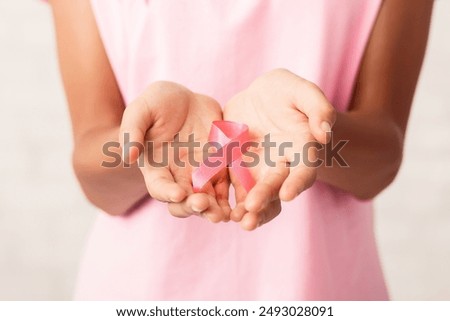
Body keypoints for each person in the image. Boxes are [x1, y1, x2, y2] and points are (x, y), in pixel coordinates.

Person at [47, 0, 434, 300]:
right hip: (140, 290)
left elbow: (382, 160)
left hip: (322, 287)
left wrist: (313, 136)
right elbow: (93, 174)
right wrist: (148, 147)